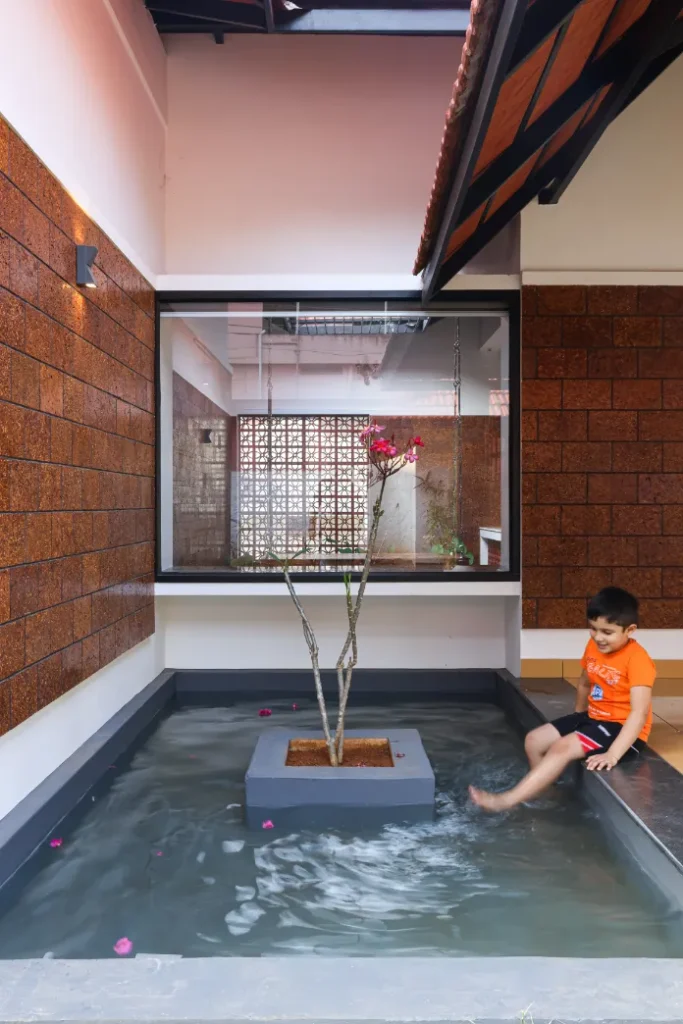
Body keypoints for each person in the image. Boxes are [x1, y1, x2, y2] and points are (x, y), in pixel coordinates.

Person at [469, 587, 655, 812]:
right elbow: (585, 682)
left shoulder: (638, 660)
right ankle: (547, 792)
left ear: (630, 630)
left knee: (561, 748)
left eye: (607, 632)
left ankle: (506, 801)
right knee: (534, 740)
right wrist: (578, 716)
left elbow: (639, 713)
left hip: (622, 729)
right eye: (593, 629)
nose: (598, 637)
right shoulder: (594, 647)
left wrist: (613, 753)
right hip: (594, 718)